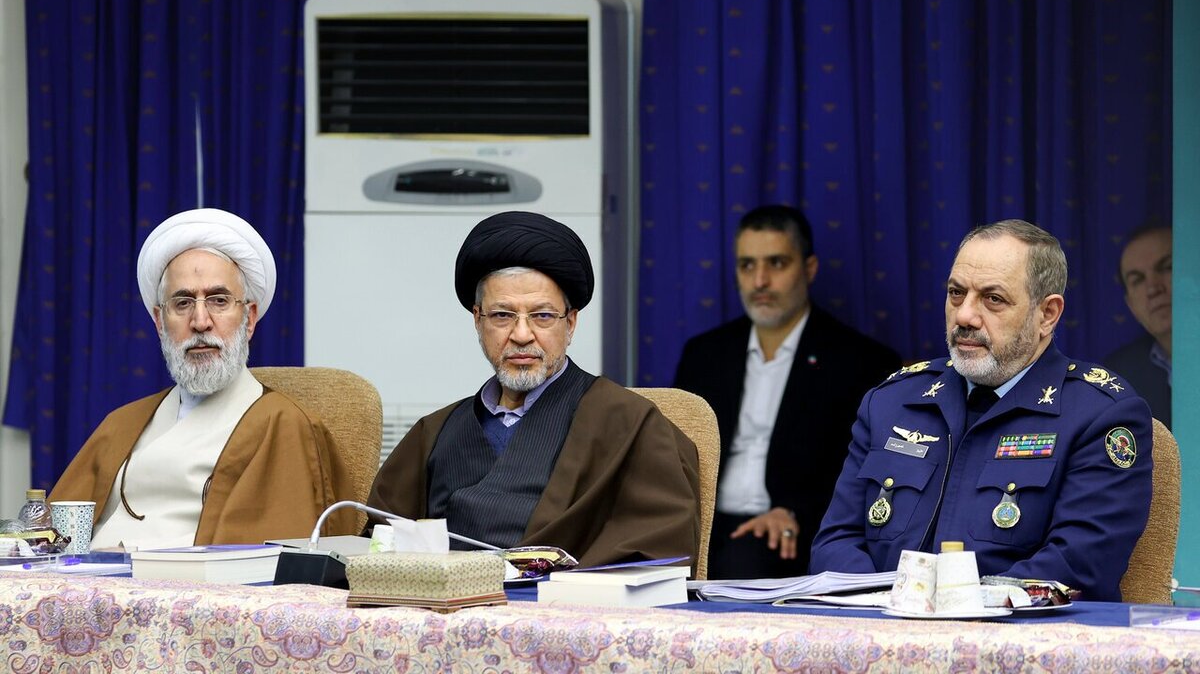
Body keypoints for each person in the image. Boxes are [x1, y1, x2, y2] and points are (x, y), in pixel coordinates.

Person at [810, 219, 1152, 602]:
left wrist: (951, 609)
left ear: (1047, 314)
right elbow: (835, 543)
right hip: (882, 623)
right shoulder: (891, 401)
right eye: (956, 293)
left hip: (1019, 634)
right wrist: (890, 608)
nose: (964, 316)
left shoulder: (1098, 415)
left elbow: (1078, 565)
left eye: (993, 299)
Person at [367, 211, 701, 567]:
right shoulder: (434, 433)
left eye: (542, 316)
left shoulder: (629, 423)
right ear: (477, 320)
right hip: (446, 600)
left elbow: (659, 550)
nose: (522, 335)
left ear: (570, 323)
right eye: (502, 315)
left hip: (567, 601)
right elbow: (377, 548)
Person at [51, 208, 356, 548]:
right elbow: (49, 538)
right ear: (159, 322)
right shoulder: (122, 423)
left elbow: (265, 559)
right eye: (182, 303)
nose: (200, 321)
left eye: (219, 300)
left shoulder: (281, 425)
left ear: (249, 318)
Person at [673, 205, 901, 579]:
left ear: (809, 268)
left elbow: (866, 471)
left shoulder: (860, 361)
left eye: (776, 263)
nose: (760, 280)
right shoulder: (704, 354)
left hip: (788, 528)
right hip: (702, 523)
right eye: (747, 265)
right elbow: (675, 455)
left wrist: (795, 512)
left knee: (744, 562)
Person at [1104, 225, 1172, 428]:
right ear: (1131, 306)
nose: (1153, 289)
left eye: (1167, 267)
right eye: (1138, 280)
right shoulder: (1117, 377)